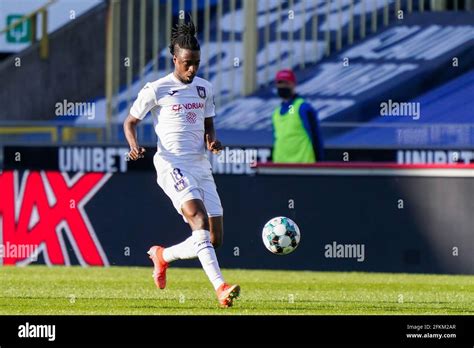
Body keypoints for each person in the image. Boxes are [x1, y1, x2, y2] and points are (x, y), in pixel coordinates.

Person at [123, 19, 240, 308]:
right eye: (187, 63)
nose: (192, 69)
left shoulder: (204, 89)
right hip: (171, 164)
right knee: (197, 220)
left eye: (196, 64)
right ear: (175, 59)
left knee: (214, 238)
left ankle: (163, 256)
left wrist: (212, 141)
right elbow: (130, 121)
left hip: (200, 165)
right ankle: (221, 288)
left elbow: (208, 124)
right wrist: (135, 145)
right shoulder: (157, 89)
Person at [272, 69, 324, 163]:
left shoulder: (303, 108)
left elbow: (316, 136)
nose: (282, 86)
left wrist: (319, 162)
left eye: (286, 83)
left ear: (293, 85)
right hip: (280, 166)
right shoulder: (276, 113)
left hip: (303, 166)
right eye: (280, 83)